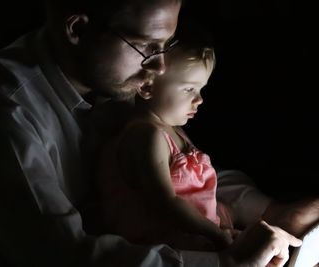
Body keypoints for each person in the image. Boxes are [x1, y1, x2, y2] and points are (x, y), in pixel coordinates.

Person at [0, 0, 319, 266]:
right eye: (148, 46)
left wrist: (272, 211)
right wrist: (222, 262)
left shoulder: (116, 76)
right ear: (78, 28)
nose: (161, 66)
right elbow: (64, 256)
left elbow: (178, 166)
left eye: (166, 45)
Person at [93, 22, 238, 251]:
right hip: (166, 250)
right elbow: (166, 204)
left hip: (199, 238)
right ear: (147, 87)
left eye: (201, 89)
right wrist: (217, 236)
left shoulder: (172, 129)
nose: (199, 99)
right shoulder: (145, 136)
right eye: (189, 89)